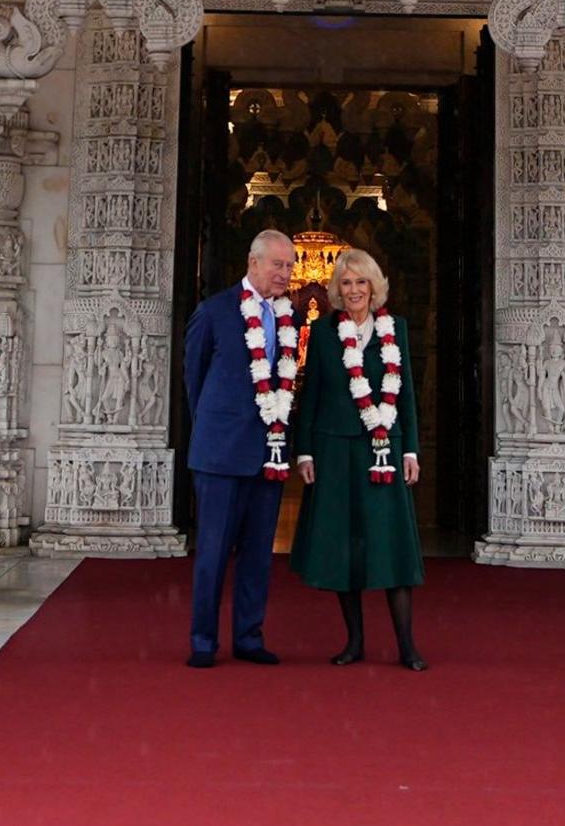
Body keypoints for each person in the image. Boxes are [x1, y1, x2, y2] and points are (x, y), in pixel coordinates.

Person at [290, 247, 427, 670]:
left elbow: (404, 394)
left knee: (391, 544)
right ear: (337, 289)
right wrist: (305, 451)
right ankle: (355, 643)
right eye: (346, 283)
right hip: (334, 449)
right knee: (344, 547)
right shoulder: (325, 333)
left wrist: (411, 449)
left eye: (361, 282)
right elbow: (310, 392)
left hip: (383, 448)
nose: (353, 290)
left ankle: (407, 646)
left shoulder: (395, 329)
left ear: (374, 287)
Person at [177, 228, 299, 668]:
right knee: (212, 551)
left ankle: (249, 636)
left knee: (257, 554)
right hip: (221, 454)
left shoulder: (290, 317)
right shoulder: (214, 312)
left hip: (268, 452)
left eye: (289, 265)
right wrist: (215, 430)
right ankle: (203, 641)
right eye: (277, 264)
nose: (284, 273)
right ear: (253, 262)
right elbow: (194, 380)